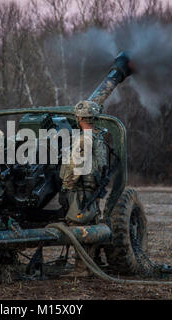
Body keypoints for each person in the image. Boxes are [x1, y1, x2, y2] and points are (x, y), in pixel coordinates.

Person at [58, 100, 109, 276]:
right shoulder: (99, 138)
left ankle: (82, 269)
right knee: (92, 227)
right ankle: (92, 266)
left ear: (79, 117)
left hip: (81, 192)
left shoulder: (83, 140)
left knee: (79, 230)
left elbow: (76, 167)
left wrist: (65, 188)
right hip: (92, 191)